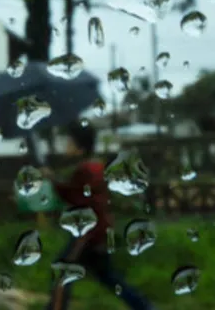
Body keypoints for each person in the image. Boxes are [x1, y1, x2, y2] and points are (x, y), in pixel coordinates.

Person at [41, 123, 155, 310]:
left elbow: (77, 200)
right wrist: (53, 180)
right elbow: (76, 195)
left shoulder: (86, 170)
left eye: (69, 143)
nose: (66, 146)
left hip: (88, 233)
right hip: (100, 230)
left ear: (80, 147)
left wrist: (52, 180)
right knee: (108, 277)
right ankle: (145, 308)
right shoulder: (94, 167)